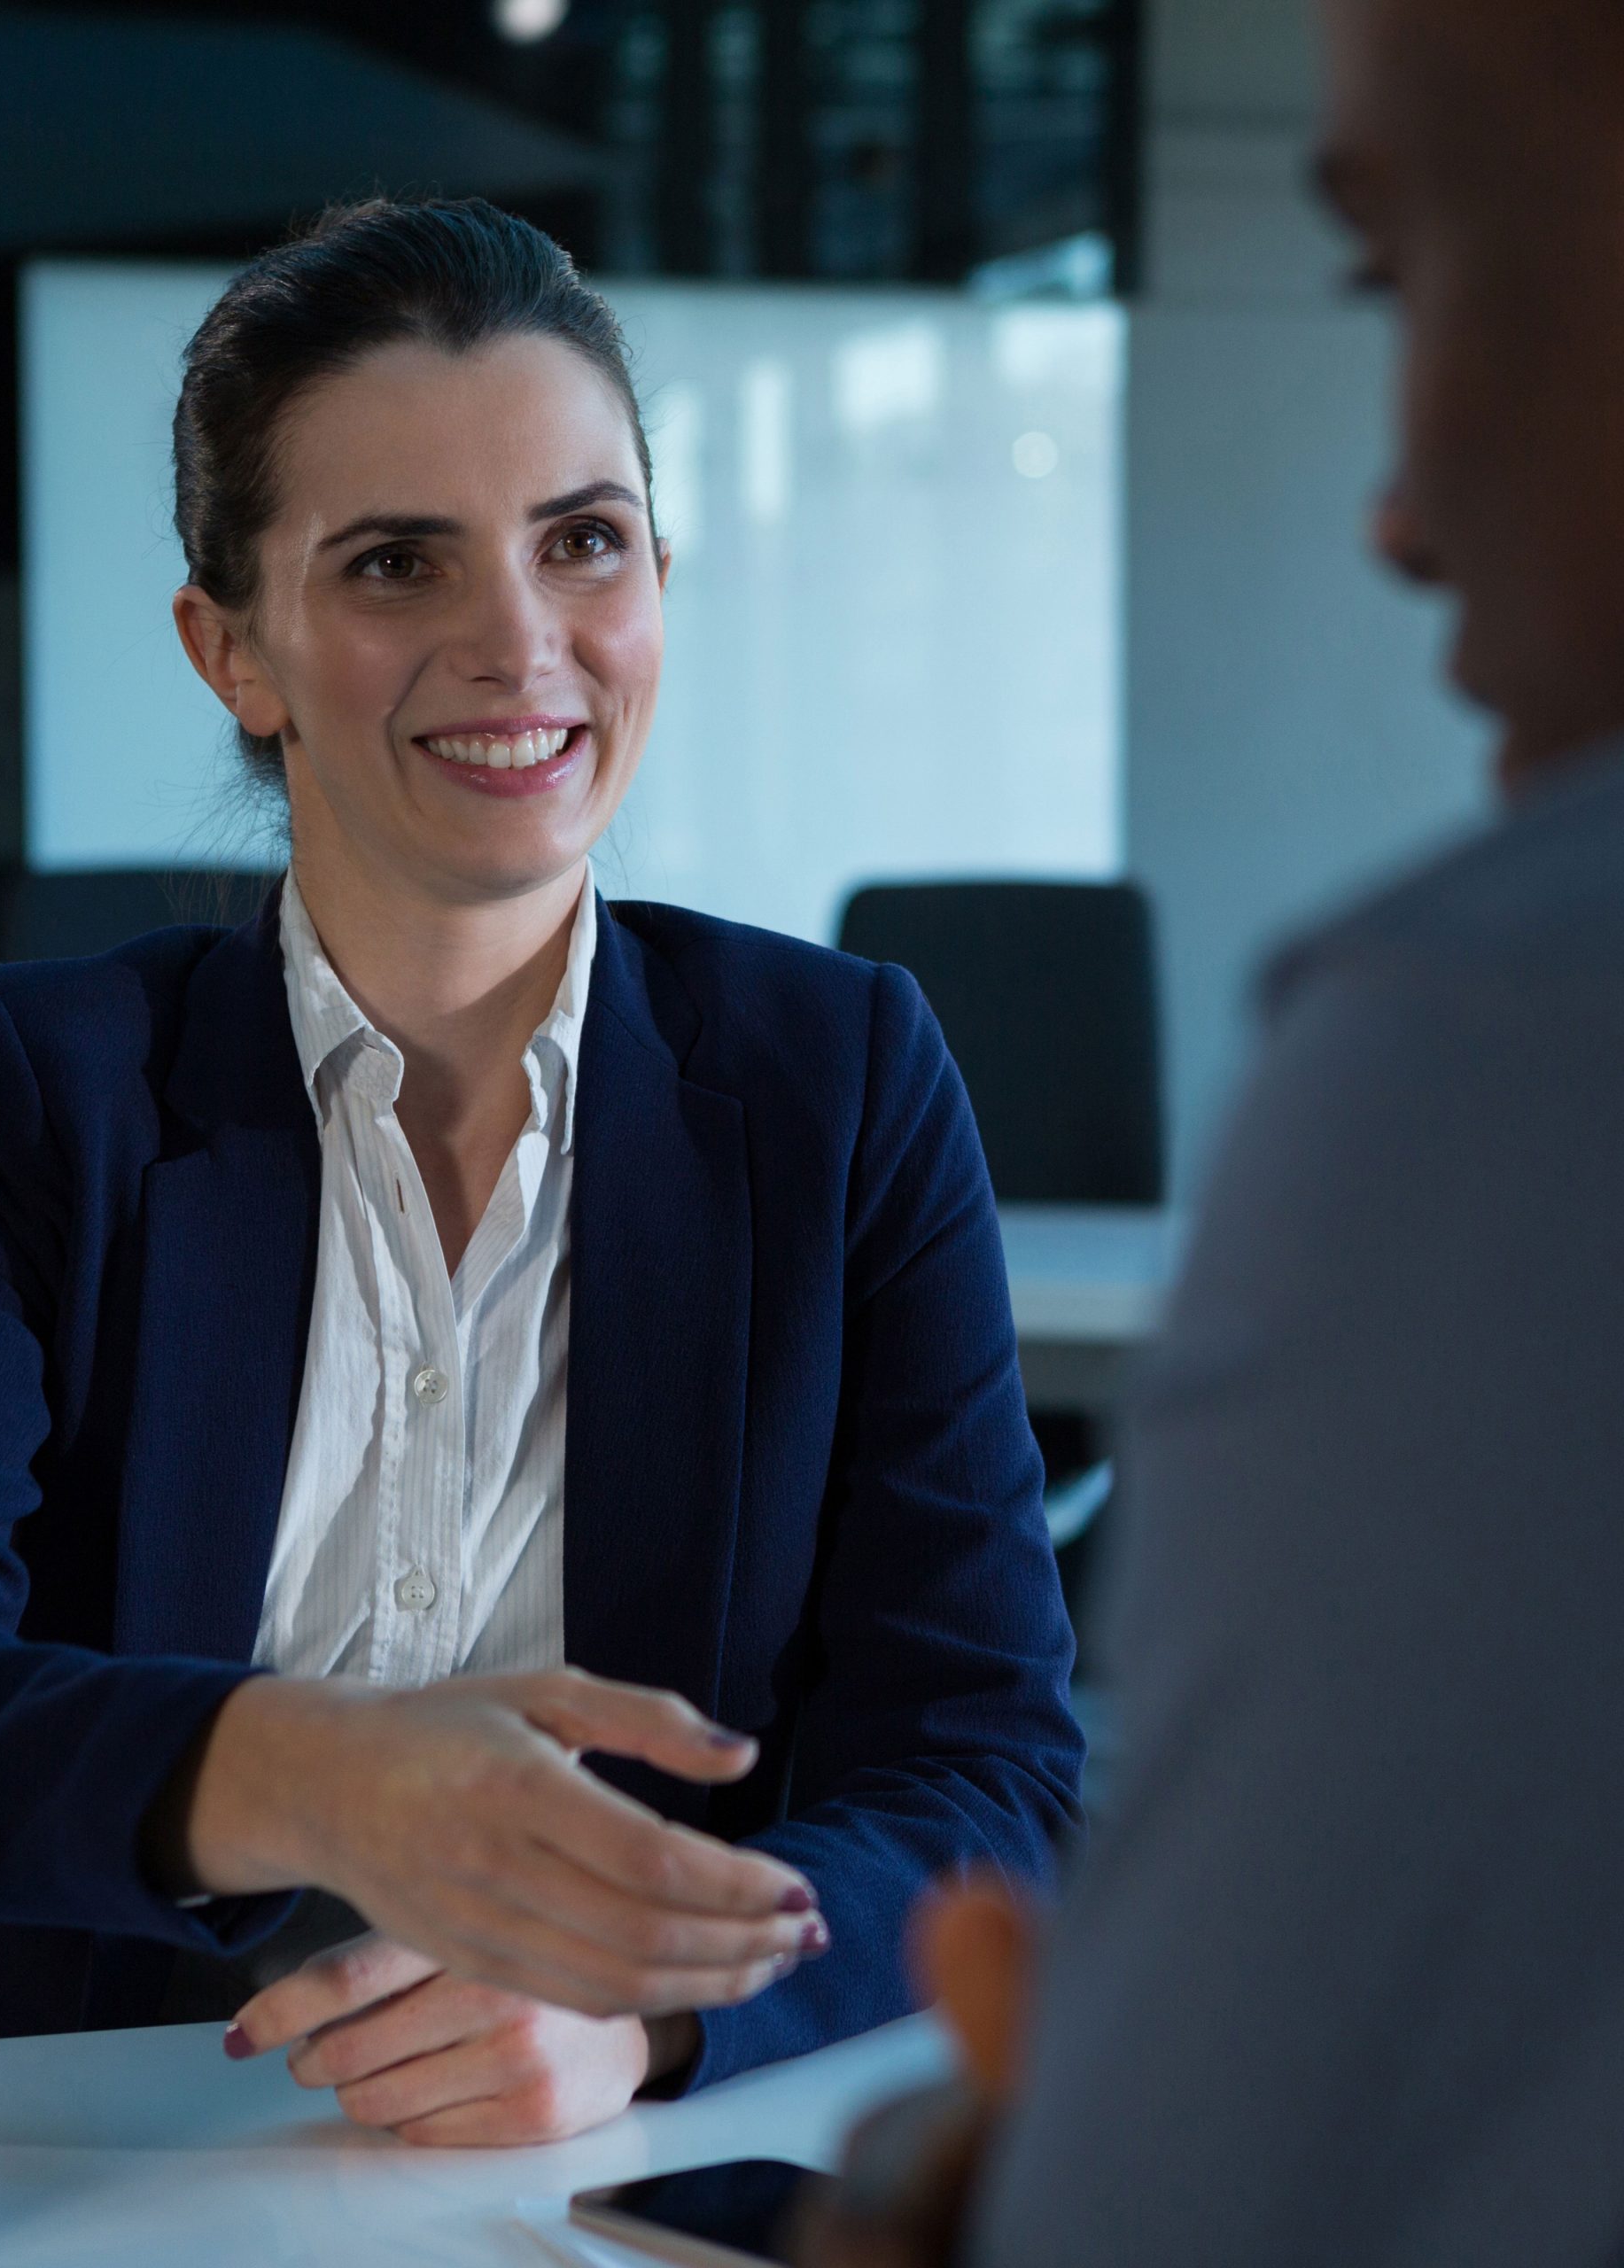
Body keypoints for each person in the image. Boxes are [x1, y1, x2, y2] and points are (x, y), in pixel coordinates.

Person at [0, 198, 1083, 2148]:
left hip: (592, 2152)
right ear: (235, 649)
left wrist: (646, 2009)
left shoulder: (842, 1075)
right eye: (394, 562)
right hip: (54, 2136)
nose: (518, 641)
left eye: (583, 541)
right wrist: (303, 1772)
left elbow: (996, 1771)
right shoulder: (36, 1083)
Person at [811, 0, 1624, 2255]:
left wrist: (967, 2186)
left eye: (1398, 273)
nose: (1391, 504)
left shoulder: (1498, 1054)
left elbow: (989, 1772)